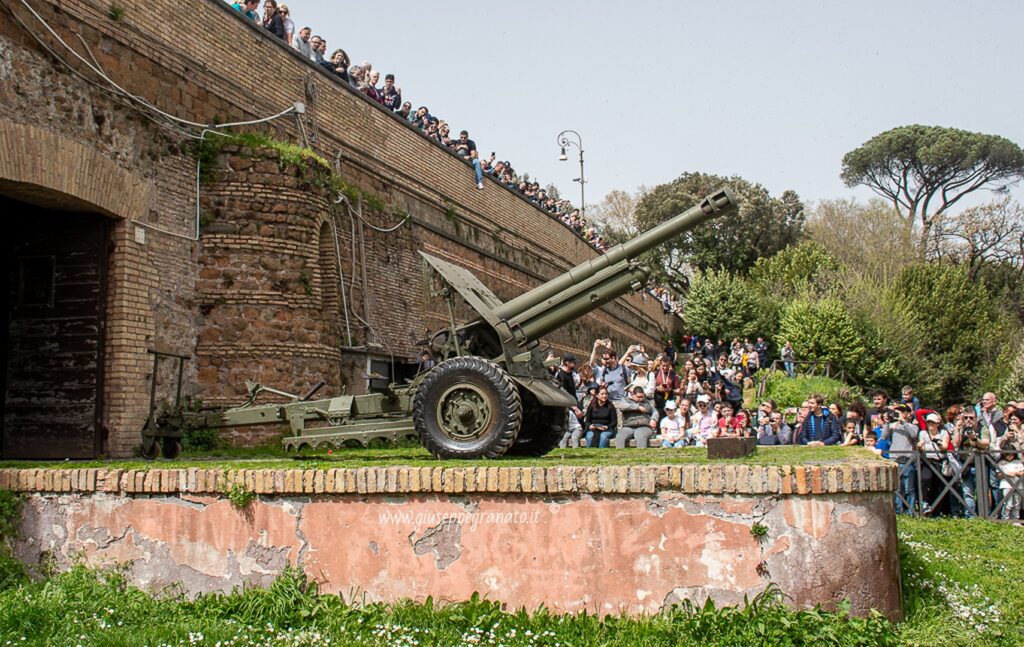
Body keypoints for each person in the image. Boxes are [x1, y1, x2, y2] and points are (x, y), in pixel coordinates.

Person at [885, 405, 921, 514]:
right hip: (894, 459)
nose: (899, 414)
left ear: (908, 414)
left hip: (907, 460)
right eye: (897, 412)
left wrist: (904, 422)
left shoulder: (913, 426)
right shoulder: (893, 426)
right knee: (897, 488)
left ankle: (910, 511)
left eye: (902, 412)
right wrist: (887, 423)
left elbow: (914, 435)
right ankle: (898, 511)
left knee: (909, 488)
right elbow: (883, 436)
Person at [556, 353, 584, 449]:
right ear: (567, 363)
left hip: (573, 404)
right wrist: (575, 408)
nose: (575, 365)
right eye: (573, 363)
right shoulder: (561, 376)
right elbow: (564, 395)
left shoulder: (570, 374)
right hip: (568, 408)